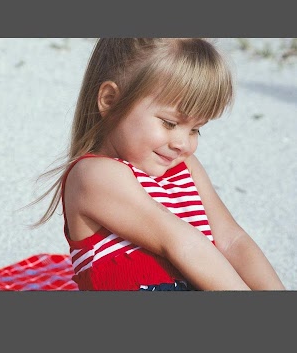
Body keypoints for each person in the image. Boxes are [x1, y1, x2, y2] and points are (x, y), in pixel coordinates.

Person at [32, 38, 285, 291]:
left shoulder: (184, 166)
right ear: (110, 100)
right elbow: (180, 242)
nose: (182, 143)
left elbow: (231, 240)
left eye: (196, 129)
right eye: (169, 123)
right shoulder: (93, 174)